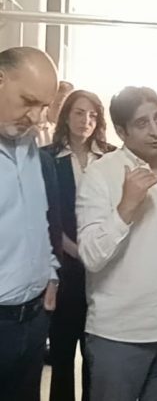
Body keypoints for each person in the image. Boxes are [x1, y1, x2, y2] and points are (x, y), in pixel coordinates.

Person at [76, 86, 157, 401]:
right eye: (142, 123)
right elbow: (91, 255)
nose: (154, 131)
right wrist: (126, 208)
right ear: (121, 131)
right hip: (120, 334)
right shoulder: (101, 174)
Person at [43, 90, 114, 401]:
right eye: (79, 113)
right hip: (63, 267)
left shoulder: (111, 157)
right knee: (61, 354)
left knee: (95, 357)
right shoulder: (47, 157)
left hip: (103, 269)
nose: (86, 120)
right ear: (66, 116)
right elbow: (45, 215)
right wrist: (73, 249)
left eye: (93, 115)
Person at [0, 46, 60, 401]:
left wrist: (50, 271)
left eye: (44, 106)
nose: (36, 117)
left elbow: (39, 221)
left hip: (34, 320)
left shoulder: (33, 149)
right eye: (28, 101)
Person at [37, 80, 74, 147]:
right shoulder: (35, 130)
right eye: (59, 105)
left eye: (68, 107)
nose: (64, 111)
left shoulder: (73, 130)